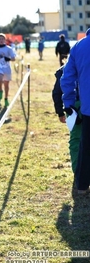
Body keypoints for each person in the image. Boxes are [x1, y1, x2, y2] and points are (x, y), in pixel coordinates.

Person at [60, 28, 89, 195]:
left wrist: (69, 103)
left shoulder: (79, 46)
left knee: (85, 147)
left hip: (87, 108)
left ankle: (83, 186)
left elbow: (67, 77)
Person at [51, 64, 81, 174]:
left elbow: (56, 92)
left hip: (72, 107)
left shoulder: (65, 69)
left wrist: (60, 112)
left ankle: (78, 173)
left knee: (76, 140)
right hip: (76, 107)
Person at [0, 33, 16, 107]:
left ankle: (6, 98)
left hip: (7, 69)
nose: (1, 40)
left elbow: (14, 58)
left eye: (2, 39)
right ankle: (0, 91)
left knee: (6, 85)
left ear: (5, 40)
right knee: (0, 79)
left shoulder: (9, 49)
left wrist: (8, 58)